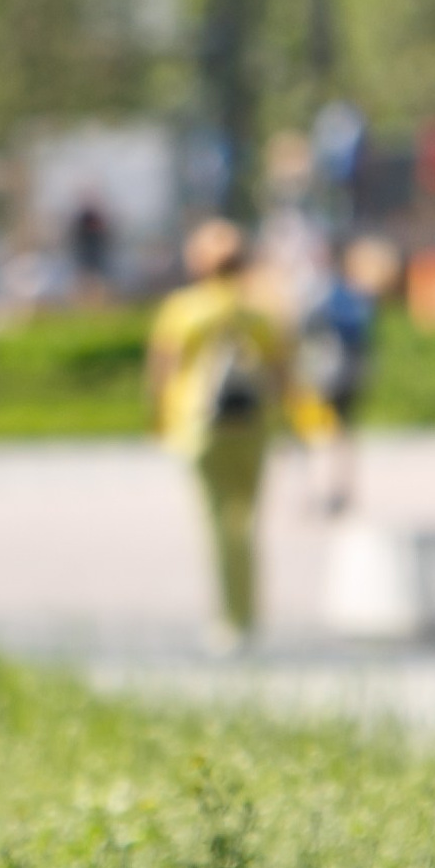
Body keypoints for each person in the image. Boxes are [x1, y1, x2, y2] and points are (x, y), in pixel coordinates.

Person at [147, 220, 289, 652]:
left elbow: (162, 370)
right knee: (245, 521)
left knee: (216, 521)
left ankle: (227, 620)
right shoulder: (258, 311)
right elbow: (282, 373)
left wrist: (158, 418)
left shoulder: (186, 308)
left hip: (199, 424)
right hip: (251, 425)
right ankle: (247, 616)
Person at [291, 243, 376, 518]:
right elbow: (366, 336)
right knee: (342, 433)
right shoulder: (355, 295)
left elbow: (300, 330)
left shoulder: (317, 293)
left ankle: (318, 491)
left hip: (319, 373)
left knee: (315, 434)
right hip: (350, 371)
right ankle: (342, 490)